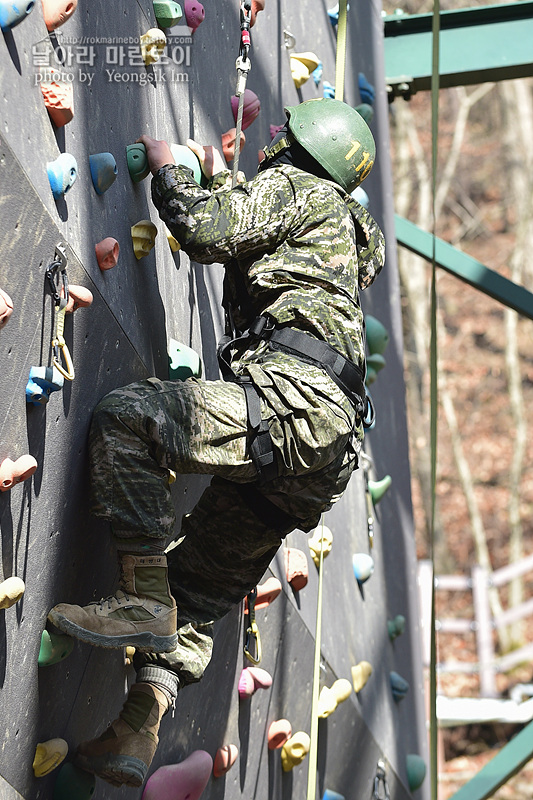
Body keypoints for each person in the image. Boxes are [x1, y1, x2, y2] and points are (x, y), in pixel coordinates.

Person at [47, 97, 385, 788]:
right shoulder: (342, 229)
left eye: (281, 138)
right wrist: (223, 178)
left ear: (296, 147)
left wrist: (170, 170)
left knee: (131, 418)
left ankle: (140, 597)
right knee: (195, 595)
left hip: (292, 402)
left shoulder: (299, 188)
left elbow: (204, 231)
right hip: (325, 448)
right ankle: (135, 729)